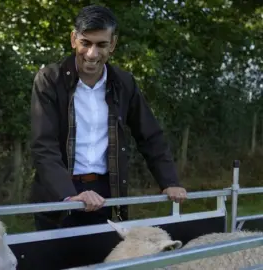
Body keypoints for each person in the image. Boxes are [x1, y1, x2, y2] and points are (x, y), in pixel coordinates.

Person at [29, 4, 187, 231]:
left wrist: (170, 182)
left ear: (113, 44)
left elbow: (150, 136)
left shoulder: (124, 83)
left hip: (105, 193)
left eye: (101, 44)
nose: (92, 54)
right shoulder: (49, 80)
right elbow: (43, 146)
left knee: (103, 263)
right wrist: (68, 195)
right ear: (74, 39)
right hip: (58, 195)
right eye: (86, 43)